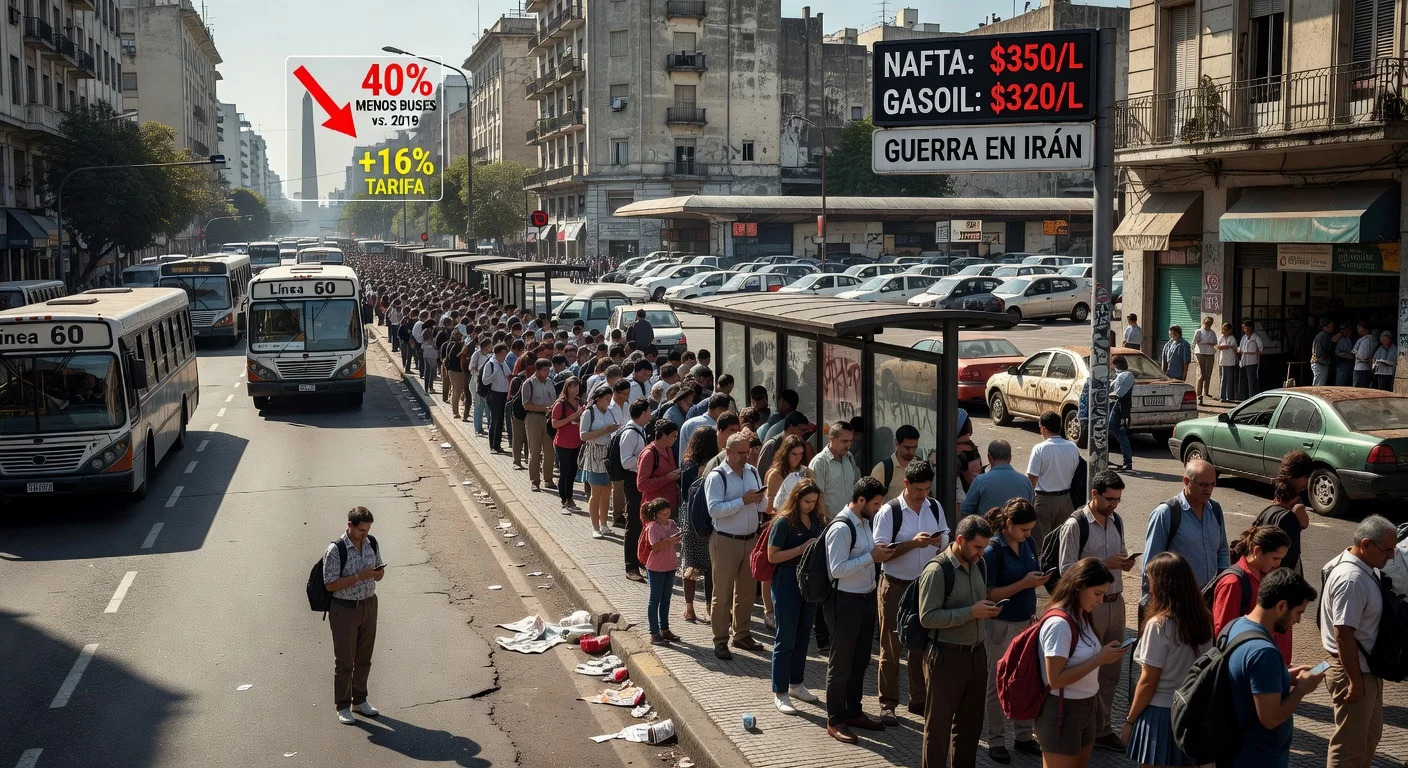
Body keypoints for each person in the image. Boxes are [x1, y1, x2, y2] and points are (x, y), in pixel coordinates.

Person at [1057, 469, 1134, 752]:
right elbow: (1066, 570)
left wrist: (1124, 563)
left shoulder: (1117, 520)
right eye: (1109, 499)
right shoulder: (1076, 524)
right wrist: (1105, 561)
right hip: (1089, 609)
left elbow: (1119, 556)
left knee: (1111, 672)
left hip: (1116, 603)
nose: (1113, 505)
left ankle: (1102, 729)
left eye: (1117, 500)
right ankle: (1083, 728)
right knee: (1086, 669)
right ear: (1094, 494)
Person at [915, 514, 997, 768]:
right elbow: (927, 617)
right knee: (938, 730)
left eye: (985, 547)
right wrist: (971, 612)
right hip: (946, 657)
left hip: (976, 655)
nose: (982, 553)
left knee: (970, 728)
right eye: (977, 547)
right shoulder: (937, 570)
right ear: (960, 540)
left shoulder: (979, 564)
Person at [873, 460, 950, 726]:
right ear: (906, 484)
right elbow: (880, 552)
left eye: (927, 489)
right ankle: (887, 704)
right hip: (895, 586)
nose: (923, 495)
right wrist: (913, 544)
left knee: (919, 647)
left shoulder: (935, 506)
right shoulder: (889, 511)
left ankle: (918, 700)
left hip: (923, 587)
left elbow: (947, 539)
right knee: (891, 648)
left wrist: (940, 542)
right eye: (918, 489)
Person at [1224, 568, 1323, 768]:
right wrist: (1302, 689)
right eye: (1298, 613)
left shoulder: (1235, 626)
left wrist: (1285, 676)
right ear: (1281, 606)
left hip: (1235, 749)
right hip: (1257, 757)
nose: (1298, 621)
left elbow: (1248, 680)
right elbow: (1270, 718)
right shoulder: (1263, 652)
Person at [1123, 552, 1214, 768]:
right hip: (1191, 712)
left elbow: (1148, 681)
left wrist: (1129, 720)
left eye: (1151, 579)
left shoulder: (1159, 625)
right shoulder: (1204, 620)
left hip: (1160, 715)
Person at [822, 476, 896, 744]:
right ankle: (835, 719)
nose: (879, 508)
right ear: (861, 500)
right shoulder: (841, 528)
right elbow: (836, 569)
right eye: (876, 503)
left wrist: (877, 553)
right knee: (840, 664)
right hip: (845, 602)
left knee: (861, 660)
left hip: (865, 600)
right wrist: (871, 557)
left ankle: (853, 712)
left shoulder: (865, 521)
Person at [1319, 515, 1396, 768]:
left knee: (1368, 739)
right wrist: (1355, 681)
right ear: (1365, 545)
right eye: (1387, 550)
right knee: (1349, 749)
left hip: (1366, 671)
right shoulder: (1351, 579)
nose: (1392, 556)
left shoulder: (1364, 568)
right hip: (1354, 672)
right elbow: (1343, 635)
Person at [1036, 558, 1127, 768]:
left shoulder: (1082, 615)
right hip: (1063, 710)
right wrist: (1099, 659)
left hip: (1086, 707)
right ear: (1079, 586)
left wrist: (1104, 655)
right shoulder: (1059, 624)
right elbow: (1055, 679)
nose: (1101, 601)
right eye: (1097, 594)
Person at [982, 499, 1049, 763]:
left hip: (1026, 622)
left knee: (1025, 679)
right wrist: (1024, 583)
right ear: (1008, 524)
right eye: (1024, 529)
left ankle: (1023, 736)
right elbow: (989, 593)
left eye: (1031, 529)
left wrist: (1037, 581)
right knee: (997, 683)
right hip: (1001, 625)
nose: (1028, 534)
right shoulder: (992, 551)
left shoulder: (1028, 544)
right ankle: (996, 740)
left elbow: (1030, 575)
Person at [322, 506, 387, 725]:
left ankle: (360, 700)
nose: (365, 534)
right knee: (344, 660)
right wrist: (359, 576)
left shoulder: (372, 543)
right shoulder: (335, 550)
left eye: (367, 529)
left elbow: (378, 572)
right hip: (345, 609)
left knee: (364, 657)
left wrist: (378, 574)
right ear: (350, 526)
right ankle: (342, 705)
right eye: (361, 530)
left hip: (369, 605)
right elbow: (330, 584)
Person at [705, 431, 767, 660]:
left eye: (747, 451)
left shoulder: (752, 471)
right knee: (721, 594)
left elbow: (763, 506)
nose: (745, 456)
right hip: (725, 541)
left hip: (750, 539)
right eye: (740, 453)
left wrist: (760, 500)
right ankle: (720, 640)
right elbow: (715, 511)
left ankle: (742, 634)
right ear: (728, 452)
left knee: (747, 592)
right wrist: (744, 501)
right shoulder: (717, 476)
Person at [768, 478, 825, 715]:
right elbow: (772, 556)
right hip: (787, 581)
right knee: (786, 638)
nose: (811, 505)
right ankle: (780, 692)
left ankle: (796, 684)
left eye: (814, 501)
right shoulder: (784, 522)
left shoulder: (816, 520)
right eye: (806, 501)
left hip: (808, 582)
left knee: (803, 636)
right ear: (797, 499)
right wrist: (801, 549)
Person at [1141, 459, 1229, 597]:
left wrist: (1223, 583)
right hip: (1177, 600)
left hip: (1210, 598)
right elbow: (1151, 566)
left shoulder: (1215, 510)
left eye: (1213, 485)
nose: (1209, 490)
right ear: (1186, 481)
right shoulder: (1165, 513)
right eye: (1203, 485)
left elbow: (1222, 549)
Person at [1211, 525, 1293, 664]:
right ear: (1257, 551)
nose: (1278, 564)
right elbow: (1224, 633)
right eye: (1275, 558)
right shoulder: (1233, 583)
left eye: (1281, 559)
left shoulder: (1264, 575)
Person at [678, 425, 719, 624]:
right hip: (707, 518)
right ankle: (711, 607)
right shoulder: (714, 465)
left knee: (690, 564)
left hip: (688, 517)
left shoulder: (688, 463)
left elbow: (685, 493)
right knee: (711, 564)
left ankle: (689, 607)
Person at [1026, 410, 1081, 547]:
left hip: (1044, 501)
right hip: (1066, 500)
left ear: (1043, 427)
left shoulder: (1040, 449)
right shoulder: (1072, 447)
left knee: (1041, 544)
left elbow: (1031, 478)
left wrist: (1029, 500)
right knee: (1062, 543)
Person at [1255, 450, 1312, 574]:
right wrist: (1297, 510)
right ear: (1303, 477)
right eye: (1306, 477)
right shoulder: (1294, 503)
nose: (1306, 481)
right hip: (1283, 570)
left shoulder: (1279, 489)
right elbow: (1305, 523)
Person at [580, 385, 621, 539]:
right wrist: (605, 430)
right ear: (597, 398)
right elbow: (583, 436)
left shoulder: (610, 411)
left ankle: (604, 524)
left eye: (610, 398)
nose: (608, 401)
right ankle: (595, 527)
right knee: (595, 492)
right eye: (605, 398)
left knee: (606, 491)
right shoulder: (589, 413)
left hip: (607, 453)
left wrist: (613, 429)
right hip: (594, 454)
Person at [618, 398, 651, 582]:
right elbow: (625, 461)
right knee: (633, 523)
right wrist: (644, 459)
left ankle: (639, 560)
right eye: (648, 411)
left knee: (641, 521)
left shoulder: (641, 429)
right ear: (642, 412)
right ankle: (630, 565)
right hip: (632, 479)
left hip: (640, 478)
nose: (650, 414)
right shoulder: (630, 433)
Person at [642, 497, 682, 646]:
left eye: (668, 513)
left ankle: (665, 629)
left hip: (670, 565)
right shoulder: (652, 527)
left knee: (666, 599)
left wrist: (678, 535)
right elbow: (655, 546)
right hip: (656, 567)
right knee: (655, 600)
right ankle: (654, 633)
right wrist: (670, 539)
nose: (667, 516)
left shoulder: (671, 523)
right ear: (656, 514)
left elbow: (676, 538)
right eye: (663, 514)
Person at [960, 439, 1033, 518]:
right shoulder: (1025, 481)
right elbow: (1030, 509)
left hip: (988, 529)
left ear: (989, 457)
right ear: (1010, 457)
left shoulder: (980, 481)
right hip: (1016, 529)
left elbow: (965, 510)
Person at [811, 421, 860, 528]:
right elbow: (817, 497)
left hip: (851, 520)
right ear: (831, 439)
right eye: (844, 441)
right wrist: (826, 524)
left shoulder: (849, 457)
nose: (848, 445)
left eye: (850, 441)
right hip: (831, 523)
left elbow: (855, 485)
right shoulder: (820, 462)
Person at [550, 376, 586, 511]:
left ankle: (570, 498)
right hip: (563, 443)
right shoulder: (560, 404)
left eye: (576, 386)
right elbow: (555, 424)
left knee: (572, 472)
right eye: (571, 386)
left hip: (576, 442)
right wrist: (573, 416)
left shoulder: (580, 402)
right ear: (566, 388)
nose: (575, 389)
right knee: (564, 472)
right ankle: (565, 499)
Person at [523, 359, 558, 492]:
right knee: (535, 451)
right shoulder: (529, 383)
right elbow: (526, 404)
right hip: (534, 418)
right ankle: (535, 480)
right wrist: (545, 408)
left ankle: (548, 479)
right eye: (545, 370)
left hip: (549, 419)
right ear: (537, 370)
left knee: (549, 451)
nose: (547, 372)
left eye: (548, 370)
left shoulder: (550, 382)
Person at [637, 419, 681, 511]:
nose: (675, 439)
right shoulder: (649, 454)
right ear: (664, 435)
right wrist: (667, 478)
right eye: (674, 436)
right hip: (654, 510)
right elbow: (642, 485)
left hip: (668, 508)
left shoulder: (668, 449)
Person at [871, 423, 920, 500]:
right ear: (897, 443)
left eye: (914, 448)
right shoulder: (882, 469)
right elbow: (872, 503)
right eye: (907, 448)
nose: (911, 452)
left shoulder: (920, 466)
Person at [758, 411, 814, 476]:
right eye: (801, 429)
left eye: (805, 431)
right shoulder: (771, 445)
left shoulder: (804, 446)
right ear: (791, 427)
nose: (803, 433)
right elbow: (762, 473)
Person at [482, 343, 512, 454]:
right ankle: (493, 445)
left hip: (503, 393)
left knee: (500, 421)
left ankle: (497, 445)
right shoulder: (490, 364)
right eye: (503, 353)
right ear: (498, 353)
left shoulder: (503, 363)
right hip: (494, 394)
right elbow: (485, 381)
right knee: (496, 419)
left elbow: (508, 374)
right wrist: (493, 375)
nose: (505, 356)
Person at [1193, 317, 1218, 404]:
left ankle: (1206, 392)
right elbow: (1195, 342)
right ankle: (1199, 395)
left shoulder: (1212, 333)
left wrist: (1211, 344)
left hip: (1210, 353)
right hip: (1200, 353)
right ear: (1203, 323)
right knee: (1201, 374)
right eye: (1206, 323)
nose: (1208, 325)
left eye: (1210, 323)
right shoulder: (1199, 331)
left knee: (1208, 373)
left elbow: (1215, 343)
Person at [1238, 320, 1264, 399]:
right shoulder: (1243, 338)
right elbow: (1241, 347)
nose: (1244, 330)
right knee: (1243, 380)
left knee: (1251, 381)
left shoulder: (1256, 338)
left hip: (1252, 361)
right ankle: (1244, 397)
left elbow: (1261, 349)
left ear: (1249, 328)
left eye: (1245, 328)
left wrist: (1253, 352)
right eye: (1243, 328)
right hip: (1243, 361)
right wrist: (1238, 349)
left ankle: (1252, 398)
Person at [1216, 322, 1240, 402]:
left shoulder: (1232, 338)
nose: (1224, 331)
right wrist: (1224, 347)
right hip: (1223, 360)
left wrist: (1225, 347)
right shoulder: (1221, 337)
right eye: (1223, 329)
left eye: (1226, 330)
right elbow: (1217, 346)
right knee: (1223, 378)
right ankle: (1222, 396)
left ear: (1230, 330)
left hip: (1230, 361)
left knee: (1229, 379)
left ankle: (1229, 396)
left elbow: (1232, 347)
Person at [1311, 318, 1337, 387]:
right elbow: (1321, 352)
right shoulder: (1323, 335)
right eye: (1331, 325)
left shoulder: (1322, 335)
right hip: (1320, 363)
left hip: (1319, 363)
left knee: (1318, 383)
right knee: (1319, 385)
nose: (1333, 327)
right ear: (1326, 326)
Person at [1352, 321, 1377, 388]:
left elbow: (1362, 356)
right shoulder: (1373, 339)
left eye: (1359, 328)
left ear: (1363, 329)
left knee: (1358, 388)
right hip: (1367, 368)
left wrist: (1359, 358)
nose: (1358, 331)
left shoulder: (1365, 341)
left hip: (1360, 368)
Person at [1335, 322, 1357, 387]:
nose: (1345, 332)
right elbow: (1337, 352)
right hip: (1342, 365)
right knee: (1340, 384)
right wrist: (1349, 356)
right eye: (1343, 330)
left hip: (1351, 366)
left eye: (1347, 330)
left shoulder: (1351, 339)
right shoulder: (1342, 340)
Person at [420, 328, 439, 394]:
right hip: (433, 357)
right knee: (432, 373)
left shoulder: (424, 342)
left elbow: (422, 347)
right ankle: (430, 387)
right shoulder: (432, 342)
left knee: (427, 372)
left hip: (426, 356)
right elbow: (435, 348)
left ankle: (426, 388)